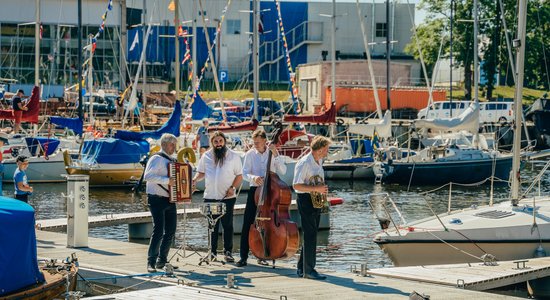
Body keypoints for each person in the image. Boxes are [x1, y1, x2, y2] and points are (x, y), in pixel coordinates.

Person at [236, 129, 287, 267]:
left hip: (271, 191)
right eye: (254, 143)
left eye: (258, 142)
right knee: (248, 223)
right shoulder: (250, 154)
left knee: (268, 223)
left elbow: (283, 171)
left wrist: (276, 155)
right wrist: (254, 177)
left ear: (265, 141)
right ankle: (243, 257)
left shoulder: (273, 152)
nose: (256, 145)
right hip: (255, 191)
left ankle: (263, 254)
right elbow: (245, 173)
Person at [193, 131, 242, 262]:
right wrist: (195, 179)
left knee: (227, 225)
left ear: (224, 141)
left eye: (220, 141)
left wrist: (233, 188)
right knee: (212, 226)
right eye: (216, 142)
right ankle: (212, 253)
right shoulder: (206, 156)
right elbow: (201, 173)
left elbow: (239, 176)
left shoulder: (233, 156)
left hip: (227, 198)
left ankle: (228, 252)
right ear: (212, 143)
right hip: (210, 197)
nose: (218, 144)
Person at [292, 135, 331, 280]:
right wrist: (317, 189)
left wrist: (321, 192)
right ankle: (309, 270)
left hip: (316, 199)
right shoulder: (304, 163)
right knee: (310, 234)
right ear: (319, 150)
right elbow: (296, 185)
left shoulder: (319, 160)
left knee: (312, 233)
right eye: (326, 149)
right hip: (306, 200)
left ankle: (302, 268)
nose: (327, 152)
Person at [143, 133, 179, 273]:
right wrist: (166, 181)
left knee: (170, 231)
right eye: (172, 144)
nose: (174, 147)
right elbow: (148, 176)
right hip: (156, 198)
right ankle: (150, 262)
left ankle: (162, 261)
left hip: (170, 199)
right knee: (158, 230)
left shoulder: (173, 160)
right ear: (164, 145)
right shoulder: (156, 158)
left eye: (175, 145)